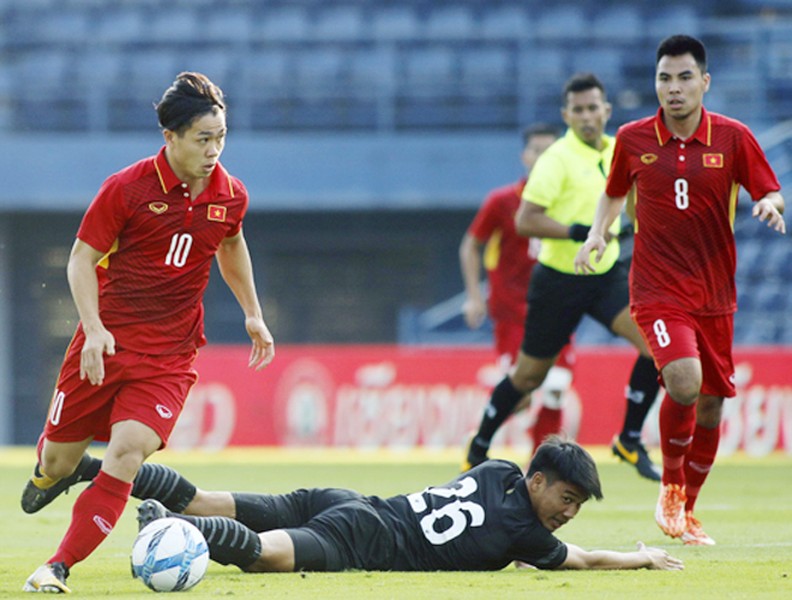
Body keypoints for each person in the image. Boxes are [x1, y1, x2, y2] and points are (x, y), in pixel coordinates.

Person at [21, 72, 275, 593]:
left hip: (170, 355)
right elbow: (80, 260)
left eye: (222, 137)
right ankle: (58, 472)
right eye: (204, 139)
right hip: (104, 346)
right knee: (56, 459)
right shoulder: (126, 188)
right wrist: (92, 330)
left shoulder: (231, 195)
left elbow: (230, 244)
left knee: (127, 451)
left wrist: (253, 311)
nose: (215, 150)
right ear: (171, 138)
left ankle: (57, 565)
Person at [574, 35, 785, 546]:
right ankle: (670, 488)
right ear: (656, 84)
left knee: (711, 404)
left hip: (715, 293)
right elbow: (614, 192)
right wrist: (599, 231)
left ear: (704, 82)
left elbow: (769, 187)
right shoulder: (633, 138)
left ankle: (687, 507)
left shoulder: (733, 138)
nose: (673, 88)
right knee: (685, 382)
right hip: (657, 288)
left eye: (684, 77)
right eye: (664, 78)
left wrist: (772, 204)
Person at [464, 73, 662, 482]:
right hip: (558, 279)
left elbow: (633, 205)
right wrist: (580, 232)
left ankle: (628, 438)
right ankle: (478, 446)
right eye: (578, 110)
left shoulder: (618, 149)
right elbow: (525, 220)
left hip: (604, 275)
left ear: (606, 111)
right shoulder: (556, 159)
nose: (587, 116)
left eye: (594, 108)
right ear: (566, 115)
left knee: (655, 347)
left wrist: (634, 231)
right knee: (528, 377)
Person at [134, 436, 683, 573]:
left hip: (353, 500)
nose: (570, 514)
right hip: (368, 539)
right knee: (261, 555)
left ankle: (106, 472)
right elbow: (582, 560)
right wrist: (641, 557)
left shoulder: (496, 471)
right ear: (538, 482)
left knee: (212, 499)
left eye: (578, 506)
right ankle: (179, 532)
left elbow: (484, 522)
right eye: (567, 499)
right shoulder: (528, 535)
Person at [459, 124, 576, 466]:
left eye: (549, 151)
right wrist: (473, 296)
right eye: (536, 150)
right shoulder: (502, 202)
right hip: (512, 312)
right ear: (525, 156)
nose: (542, 157)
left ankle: (542, 466)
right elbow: (471, 245)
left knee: (556, 387)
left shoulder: (569, 200)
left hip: (556, 308)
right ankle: (483, 434)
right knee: (521, 395)